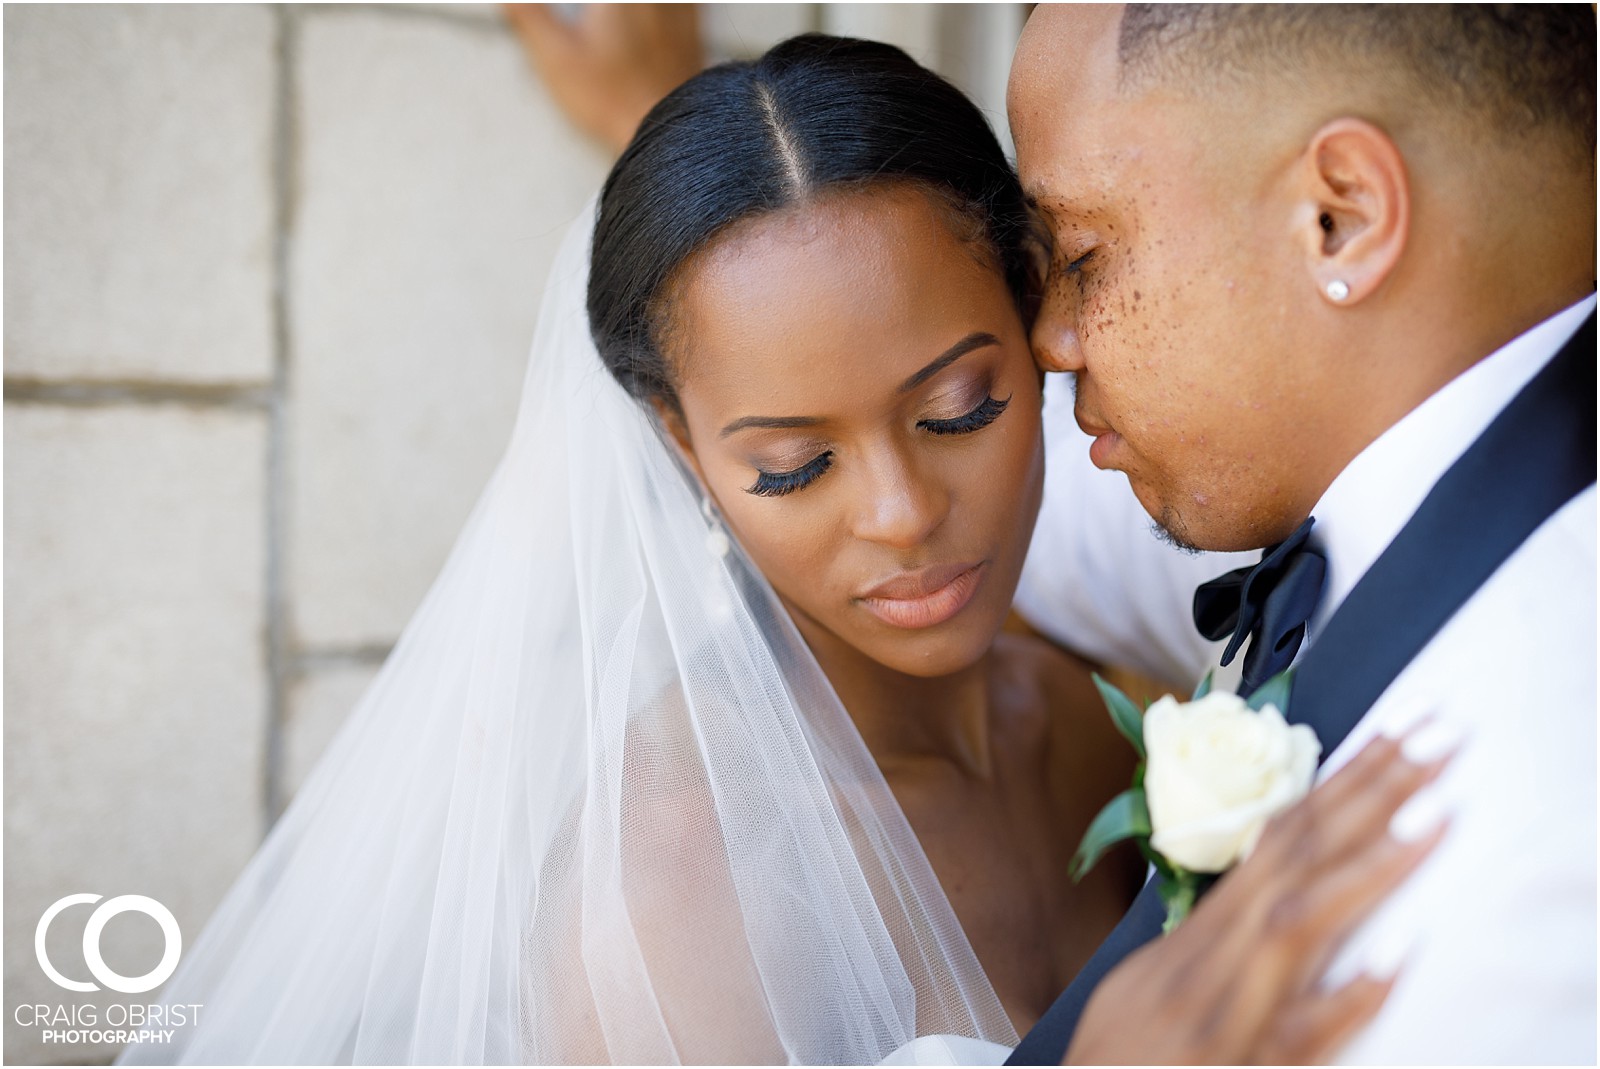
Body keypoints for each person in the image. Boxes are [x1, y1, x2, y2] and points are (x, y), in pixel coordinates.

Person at [120, 33, 1442, 1066]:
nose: (901, 514)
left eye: (958, 410)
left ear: (1043, 329)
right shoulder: (665, 895)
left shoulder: (1102, 724)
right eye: (791, 466)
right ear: (683, 450)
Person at [1004, 5, 1596, 1064]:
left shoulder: (1520, 816)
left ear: (1342, 217)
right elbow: (990, 529)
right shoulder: (1387, 475)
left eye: (1083, 253)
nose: (1049, 342)